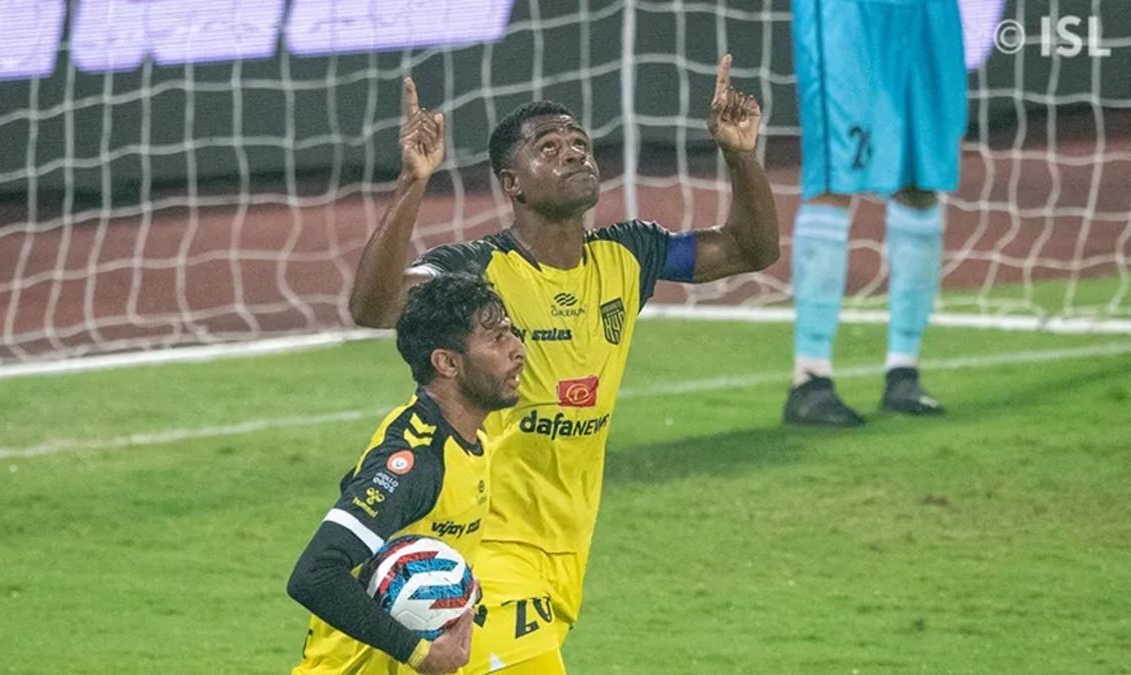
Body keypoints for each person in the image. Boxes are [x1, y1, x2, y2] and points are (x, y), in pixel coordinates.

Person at [348, 54, 779, 673]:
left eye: (579, 142)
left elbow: (751, 249)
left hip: (565, 547)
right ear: (512, 182)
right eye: (548, 148)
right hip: (482, 541)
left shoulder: (631, 256)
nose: (574, 153)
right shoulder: (476, 270)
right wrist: (414, 182)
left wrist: (739, 153)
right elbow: (374, 306)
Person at [288, 273, 525, 674]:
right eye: (497, 339)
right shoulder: (415, 459)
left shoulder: (472, 441)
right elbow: (314, 574)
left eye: (510, 333)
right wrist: (419, 653)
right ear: (447, 363)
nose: (518, 349)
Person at [783, 0, 967, 426]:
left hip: (928, 12)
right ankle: (809, 379)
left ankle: (903, 370)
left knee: (921, 180)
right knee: (833, 177)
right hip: (848, 12)